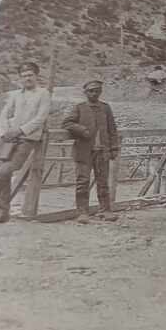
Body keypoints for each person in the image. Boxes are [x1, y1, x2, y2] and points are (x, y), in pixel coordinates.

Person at [0, 62, 51, 224]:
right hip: (8, 139)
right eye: (23, 76)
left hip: (27, 138)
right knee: (4, 175)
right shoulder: (16, 95)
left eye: (30, 75)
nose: (27, 78)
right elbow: (4, 114)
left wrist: (21, 130)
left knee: (6, 170)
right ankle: (3, 212)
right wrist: (4, 133)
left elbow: (41, 118)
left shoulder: (43, 94)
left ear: (36, 76)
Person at [62, 80, 121, 224]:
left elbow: (112, 130)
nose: (94, 93)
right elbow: (67, 123)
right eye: (91, 91)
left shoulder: (106, 108)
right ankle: (82, 212)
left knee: (103, 182)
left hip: (102, 151)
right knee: (83, 181)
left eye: (97, 91)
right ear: (86, 92)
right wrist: (82, 130)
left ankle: (105, 210)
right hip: (84, 152)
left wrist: (114, 148)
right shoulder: (79, 107)